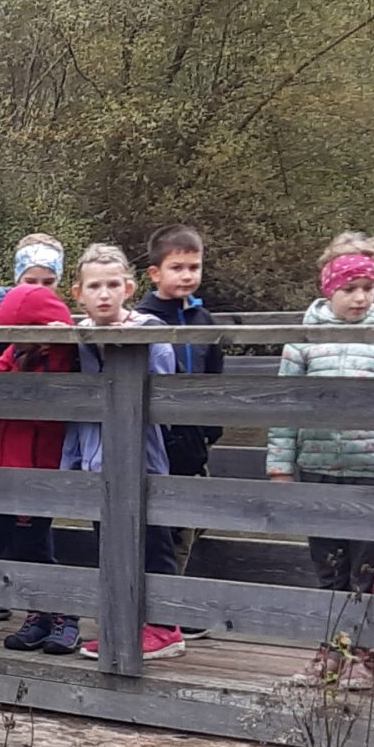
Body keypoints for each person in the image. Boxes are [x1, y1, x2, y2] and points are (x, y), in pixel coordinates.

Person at [267, 232, 374, 690]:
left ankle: (363, 654)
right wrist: (281, 466)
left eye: (367, 288)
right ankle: (329, 650)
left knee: (367, 569)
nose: (359, 297)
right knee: (328, 567)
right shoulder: (304, 340)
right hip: (318, 467)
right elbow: (284, 408)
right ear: (327, 289)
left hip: (373, 470)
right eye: (348, 288)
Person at [59, 245, 185, 661]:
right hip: (97, 461)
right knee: (109, 544)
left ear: (128, 287)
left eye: (113, 285)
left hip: (142, 460)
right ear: (78, 292)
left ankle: (166, 628)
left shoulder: (152, 333)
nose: (104, 294)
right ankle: (120, 625)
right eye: (94, 286)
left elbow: (165, 401)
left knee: (152, 543)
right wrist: (73, 461)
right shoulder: (76, 336)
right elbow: (77, 409)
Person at [0, 280, 81, 653]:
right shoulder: (15, 353)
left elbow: (59, 386)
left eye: (20, 331)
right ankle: (39, 614)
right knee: (25, 546)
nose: (13, 339)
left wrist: (60, 341)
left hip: (41, 468)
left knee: (37, 545)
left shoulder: (59, 357)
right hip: (11, 463)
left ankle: (64, 616)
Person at [127, 225, 224, 574]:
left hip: (192, 440)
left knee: (188, 520)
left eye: (194, 267)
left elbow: (215, 378)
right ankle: (149, 609)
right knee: (152, 526)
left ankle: (171, 609)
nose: (187, 275)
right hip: (154, 438)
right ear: (154, 273)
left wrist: (212, 432)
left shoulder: (203, 320)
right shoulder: (140, 321)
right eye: (177, 267)